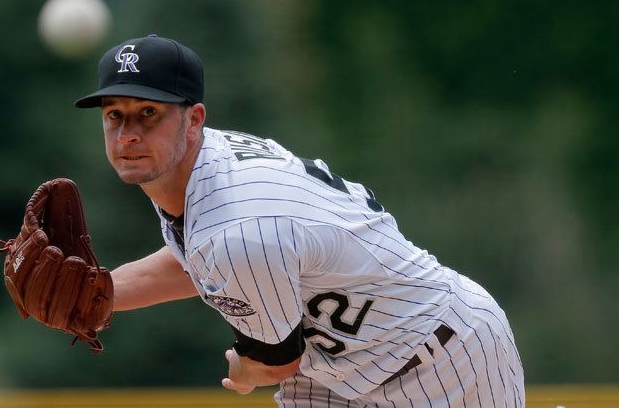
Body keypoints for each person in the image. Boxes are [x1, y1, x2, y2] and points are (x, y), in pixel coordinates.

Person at [75, 34, 525, 407]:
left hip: (444, 359)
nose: (128, 133)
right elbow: (194, 261)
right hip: (334, 376)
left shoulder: (235, 224)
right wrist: (94, 296)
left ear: (194, 120)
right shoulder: (192, 168)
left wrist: (244, 371)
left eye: (149, 113)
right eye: (115, 114)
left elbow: (273, 361)